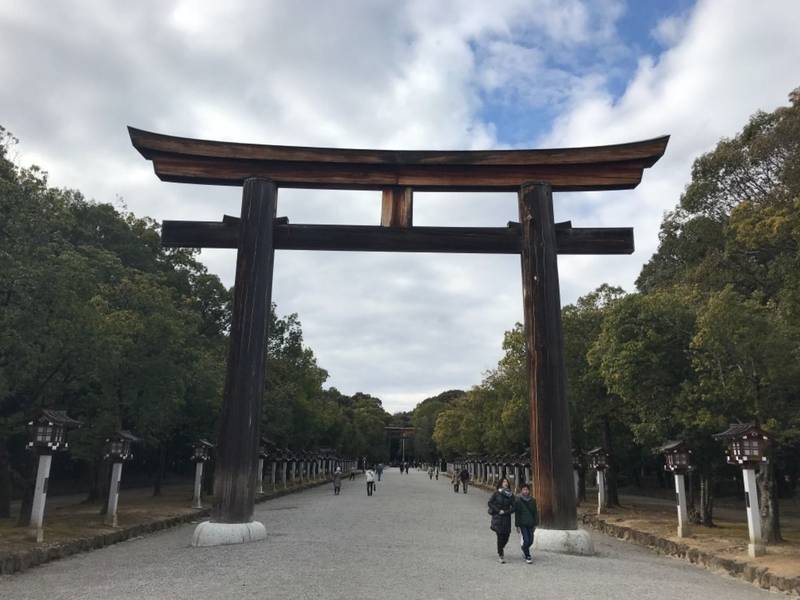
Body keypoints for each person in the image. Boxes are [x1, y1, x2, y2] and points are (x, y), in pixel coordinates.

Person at [487, 478, 515, 563]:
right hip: (498, 517)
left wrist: (506, 512)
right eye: (504, 481)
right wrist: (498, 510)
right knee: (500, 536)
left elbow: (514, 507)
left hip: (506, 517)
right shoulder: (496, 493)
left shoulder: (511, 495)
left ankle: (500, 548)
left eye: (506, 482)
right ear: (501, 483)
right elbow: (490, 503)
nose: (505, 483)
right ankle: (501, 554)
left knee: (506, 536)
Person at [514, 483, 538, 564]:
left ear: (529, 490)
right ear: (521, 491)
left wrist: (535, 523)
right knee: (526, 539)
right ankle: (527, 555)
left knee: (531, 540)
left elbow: (535, 512)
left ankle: (524, 548)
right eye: (524, 489)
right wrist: (517, 525)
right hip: (522, 523)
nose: (525, 491)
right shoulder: (518, 500)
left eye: (527, 489)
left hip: (531, 523)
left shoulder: (533, 500)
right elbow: (517, 513)